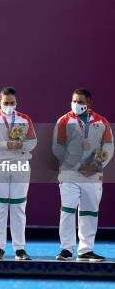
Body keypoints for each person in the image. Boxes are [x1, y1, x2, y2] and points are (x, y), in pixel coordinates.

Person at [53, 88, 112, 262]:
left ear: (88, 103)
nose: (76, 104)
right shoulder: (63, 121)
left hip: (92, 175)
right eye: (74, 101)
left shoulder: (101, 122)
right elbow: (57, 147)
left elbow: (108, 147)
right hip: (69, 174)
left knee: (90, 212)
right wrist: (75, 165)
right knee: (68, 210)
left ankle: (86, 249)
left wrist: (95, 165)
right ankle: (66, 249)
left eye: (80, 101)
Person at [0, 87, 36, 260]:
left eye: (12, 103)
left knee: (19, 207)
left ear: (16, 102)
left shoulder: (24, 119)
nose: (9, 106)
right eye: (6, 103)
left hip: (20, 165)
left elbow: (33, 141)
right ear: (0, 101)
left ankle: (20, 249)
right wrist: (5, 145)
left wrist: (21, 145)